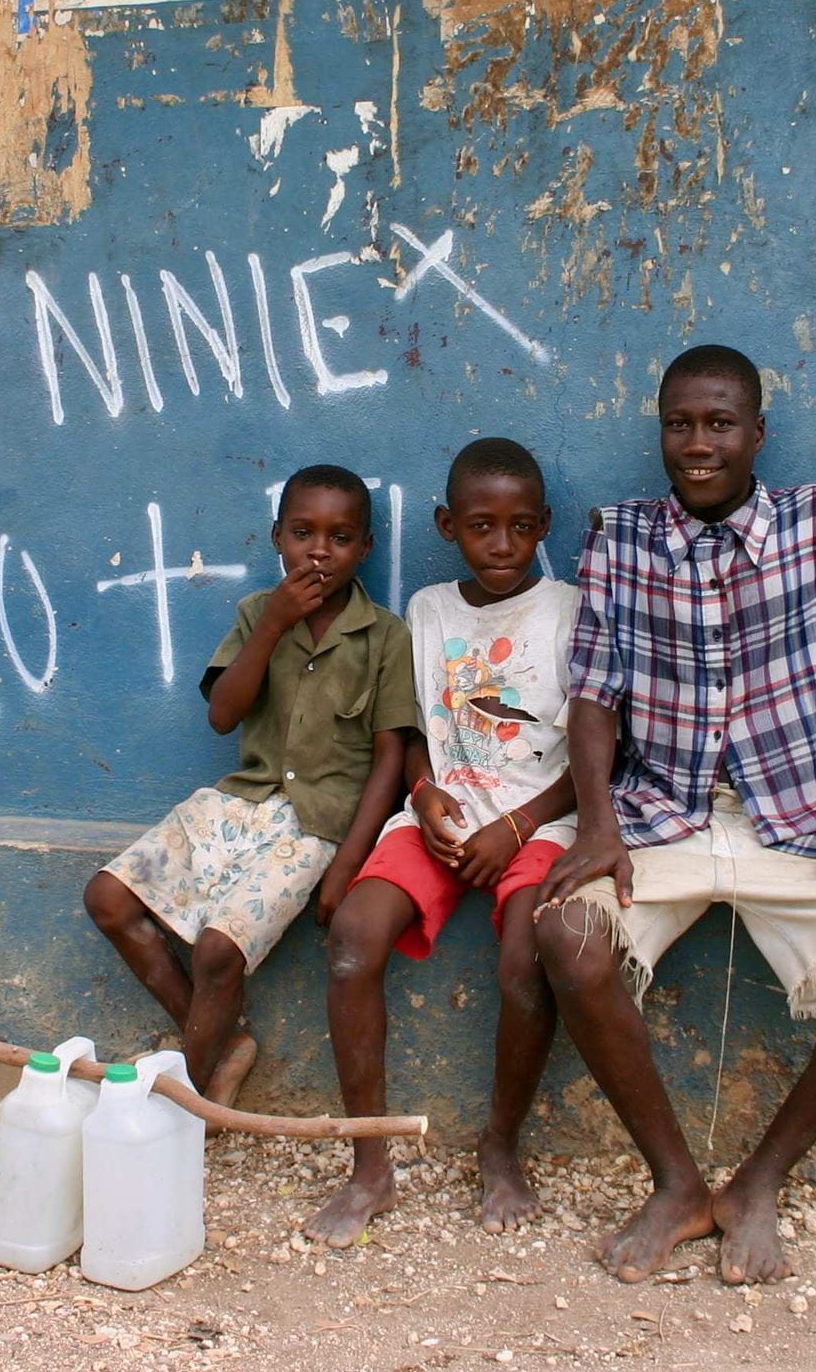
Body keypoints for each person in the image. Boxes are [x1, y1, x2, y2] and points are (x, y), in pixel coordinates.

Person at [536, 344, 816, 1286]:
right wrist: (598, 827)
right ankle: (678, 1186)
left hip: (795, 822)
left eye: (719, 423)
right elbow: (595, 694)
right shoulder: (621, 534)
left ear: (757, 434)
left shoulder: (815, 524)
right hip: (663, 817)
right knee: (567, 938)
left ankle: (761, 1181)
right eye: (679, 424)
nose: (698, 443)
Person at [305, 438, 578, 1247]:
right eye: (482, 526)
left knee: (528, 958)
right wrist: (423, 795)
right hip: (441, 817)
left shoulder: (568, 610)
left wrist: (519, 825)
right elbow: (414, 729)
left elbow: (601, 751)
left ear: (544, 528)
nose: (501, 545)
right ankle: (369, 1163)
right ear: (446, 525)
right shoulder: (427, 612)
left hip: (538, 820)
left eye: (521, 527)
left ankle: (500, 1145)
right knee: (354, 940)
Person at [85, 464, 415, 1104]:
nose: (319, 550)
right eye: (303, 532)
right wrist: (273, 626)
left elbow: (389, 758)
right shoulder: (256, 614)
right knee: (108, 898)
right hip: (240, 799)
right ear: (277, 538)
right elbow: (222, 715)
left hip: (317, 824)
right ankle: (222, 1041)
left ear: (365, 548)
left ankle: (186, 1098)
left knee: (217, 954)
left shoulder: (385, 636)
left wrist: (349, 863)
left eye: (340, 537)